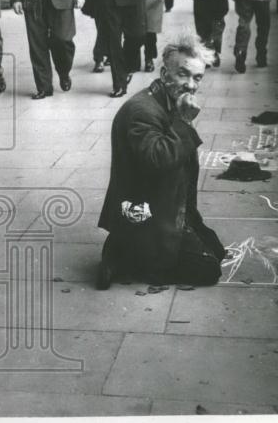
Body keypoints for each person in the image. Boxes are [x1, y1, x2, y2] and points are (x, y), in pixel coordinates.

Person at [96, 31, 227, 289]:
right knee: (207, 270)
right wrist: (185, 122)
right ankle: (124, 255)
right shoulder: (142, 111)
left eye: (197, 77)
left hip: (166, 203)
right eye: (183, 74)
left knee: (216, 251)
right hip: (147, 211)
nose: (191, 85)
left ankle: (126, 247)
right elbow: (158, 159)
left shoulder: (166, 101)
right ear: (165, 74)